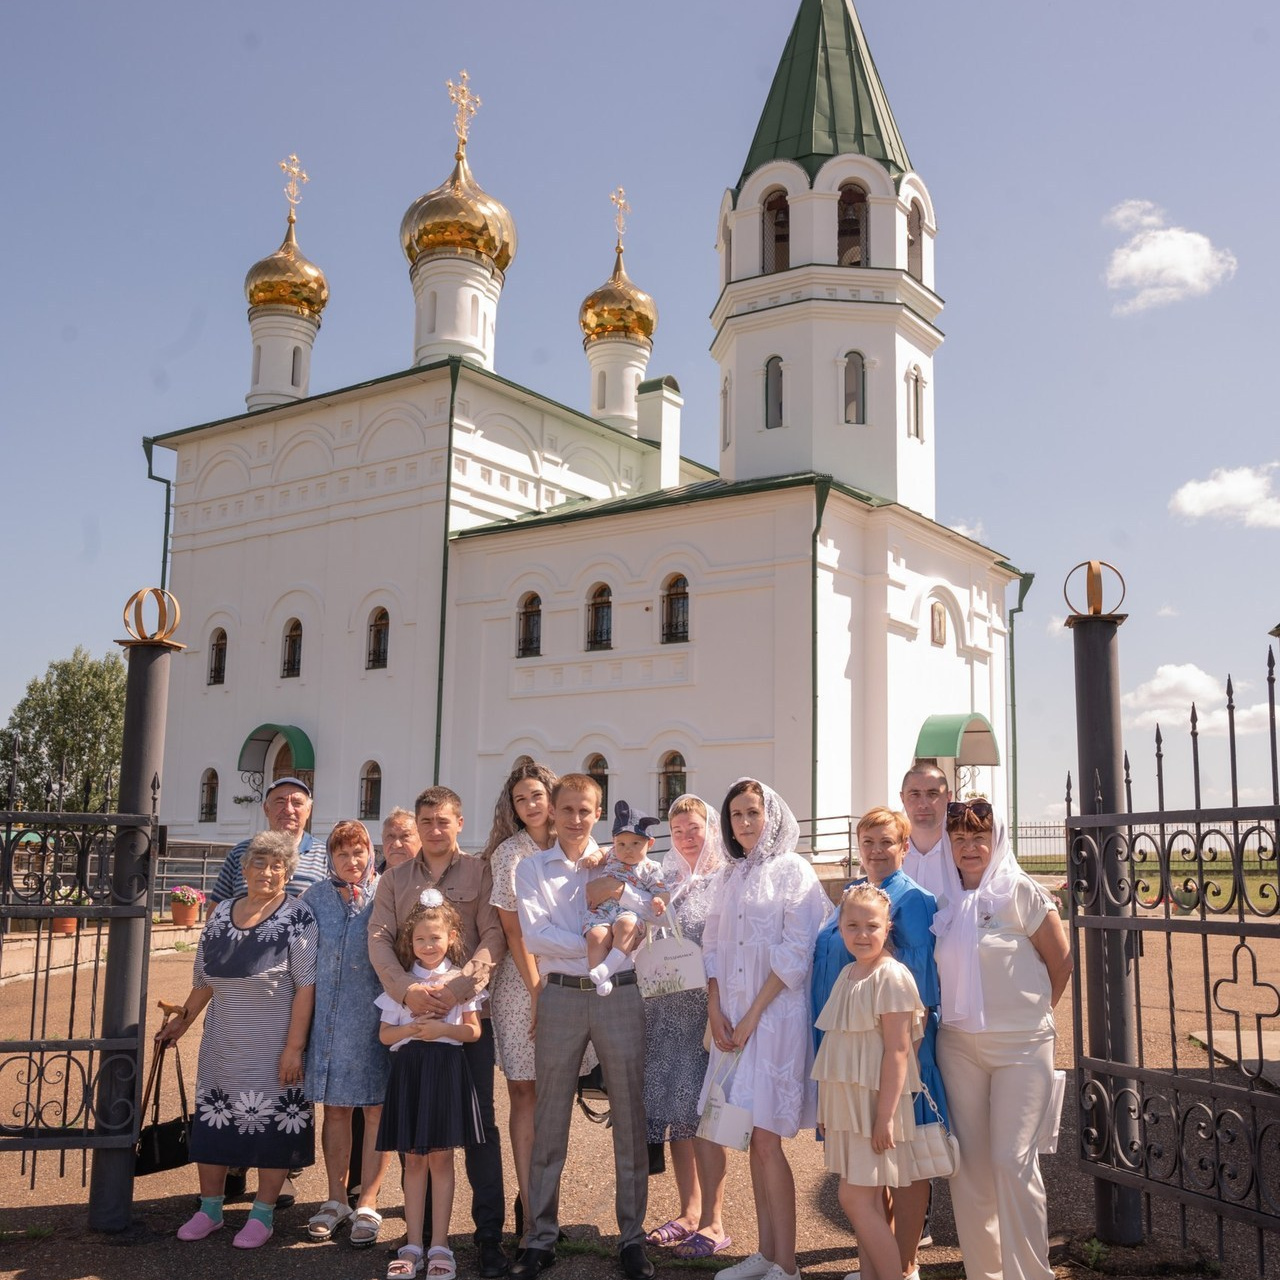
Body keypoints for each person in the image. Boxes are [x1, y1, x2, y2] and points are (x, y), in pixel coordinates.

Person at [512, 775, 656, 1280]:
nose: (576, 818)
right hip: (560, 997)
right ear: (553, 811)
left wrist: (613, 943)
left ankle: (632, 1238)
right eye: (567, 808)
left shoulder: (623, 859)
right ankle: (541, 1236)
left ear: (598, 814)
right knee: (549, 1118)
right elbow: (535, 937)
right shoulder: (531, 869)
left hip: (620, 995)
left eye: (585, 809)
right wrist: (602, 946)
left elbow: (644, 924)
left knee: (630, 1116)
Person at [368, 786, 508, 1279]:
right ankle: (422, 1240)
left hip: (465, 1019)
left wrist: (460, 985)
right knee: (421, 1136)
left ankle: (489, 1235)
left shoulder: (479, 871)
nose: (433, 828)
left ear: (458, 822)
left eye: (442, 820)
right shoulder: (393, 880)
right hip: (410, 1021)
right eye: (425, 820)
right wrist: (406, 991)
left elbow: (493, 933)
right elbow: (380, 939)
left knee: (479, 1129)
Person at [931, 800, 1072, 1280]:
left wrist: (1029, 1017)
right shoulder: (944, 901)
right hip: (958, 1047)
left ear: (998, 840)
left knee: (1012, 1162)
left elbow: (1061, 962)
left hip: (1021, 1048)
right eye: (960, 839)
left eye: (979, 837)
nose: (970, 848)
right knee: (969, 1171)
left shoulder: (1021, 892)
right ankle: (984, 1274)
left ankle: (1031, 1274)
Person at [159, 831, 318, 1248]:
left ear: (288, 872)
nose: (268, 872)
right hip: (222, 1045)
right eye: (260, 863)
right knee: (214, 1125)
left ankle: (262, 1216)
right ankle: (210, 1209)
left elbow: (306, 986)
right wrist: (181, 1023)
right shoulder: (221, 913)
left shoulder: (298, 916)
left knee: (273, 1130)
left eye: (277, 865)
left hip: (274, 1046)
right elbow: (203, 980)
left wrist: (294, 1048)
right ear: (244, 869)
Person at [701, 779, 831, 1280]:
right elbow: (711, 946)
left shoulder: (793, 872)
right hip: (731, 1022)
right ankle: (766, 1252)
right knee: (749, 1137)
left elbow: (797, 951)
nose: (745, 823)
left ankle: (789, 1264)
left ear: (771, 815)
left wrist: (753, 1014)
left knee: (768, 1140)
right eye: (736, 815)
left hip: (772, 1021)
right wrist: (716, 1009)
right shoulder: (730, 875)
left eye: (753, 812)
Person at [810, 808, 943, 1280]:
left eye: (886, 841)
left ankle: (902, 1267)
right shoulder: (852, 898)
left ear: (904, 846)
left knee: (903, 1166)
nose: (876, 850)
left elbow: (920, 985)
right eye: (867, 841)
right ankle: (877, 1270)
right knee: (869, 1178)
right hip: (850, 1055)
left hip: (891, 1051)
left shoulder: (914, 899)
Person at [376, 889, 486, 1280]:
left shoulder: (461, 981)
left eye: (435, 938)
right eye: (420, 938)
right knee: (414, 1160)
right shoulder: (402, 983)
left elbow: (472, 1032)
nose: (427, 945)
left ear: (451, 938)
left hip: (445, 1069)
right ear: (411, 941)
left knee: (441, 1158)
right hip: (411, 1070)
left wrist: (443, 1028)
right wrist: (411, 1027)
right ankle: (411, 1244)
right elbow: (386, 1036)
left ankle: (440, 1244)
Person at [639, 793, 731, 1259]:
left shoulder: (724, 880)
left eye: (693, 828)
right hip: (664, 1011)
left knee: (706, 1118)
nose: (686, 837)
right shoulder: (666, 879)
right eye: (677, 831)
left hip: (704, 1013)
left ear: (710, 828)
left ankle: (714, 1222)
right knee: (678, 1117)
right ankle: (688, 1212)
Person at [301, 821, 393, 1248]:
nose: (352, 862)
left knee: (375, 1110)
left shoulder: (385, 893)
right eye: (342, 854)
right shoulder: (315, 897)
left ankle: (368, 1201)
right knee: (335, 1110)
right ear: (331, 859)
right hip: (328, 1021)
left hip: (374, 1020)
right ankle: (335, 1199)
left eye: (359, 853)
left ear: (370, 853)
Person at [483, 761, 560, 1248]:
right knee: (525, 1094)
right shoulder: (509, 854)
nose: (530, 805)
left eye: (536, 795)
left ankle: (548, 1200)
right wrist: (538, 994)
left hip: (570, 977)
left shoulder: (576, 846)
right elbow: (512, 932)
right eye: (520, 799)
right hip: (522, 983)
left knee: (556, 1100)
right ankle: (531, 1211)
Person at [583, 801, 668, 996]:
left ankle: (608, 968)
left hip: (628, 912)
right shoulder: (613, 854)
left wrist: (660, 900)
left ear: (650, 843)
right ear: (614, 842)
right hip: (603, 910)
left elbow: (662, 889)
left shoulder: (650, 868)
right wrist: (594, 857)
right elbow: (603, 851)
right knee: (595, 936)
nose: (627, 849)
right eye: (621, 843)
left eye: (635, 844)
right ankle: (598, 976)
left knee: (626, 928)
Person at [209, 776, 326, 904]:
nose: (288, 810)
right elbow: (217, 909)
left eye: (297, 803)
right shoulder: (241, 852)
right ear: (266, 808)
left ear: (308, 811)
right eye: (280, 802)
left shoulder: (326, 856)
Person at [899, 763, 950, 889]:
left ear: (948, 798)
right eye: (914, 794)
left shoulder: (963, 852)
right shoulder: (891, 852)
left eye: (932, 794)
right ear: (902, 798)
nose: (923, 804)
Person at [382, 807, 423, 871]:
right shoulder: (367, 880)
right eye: (390, 836)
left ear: (422, 840)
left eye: (405, 836)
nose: (396, 845)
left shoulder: (436, 879)